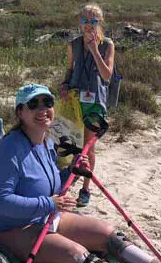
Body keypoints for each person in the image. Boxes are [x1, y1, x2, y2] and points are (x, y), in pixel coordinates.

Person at [0, 83, 161, 263]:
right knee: (75, 253)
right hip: (14, 229)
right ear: (20, 112)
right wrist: (49, 203)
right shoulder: (8, 150)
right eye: (33, 104)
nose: (42, 109)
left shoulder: (45, 142)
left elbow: (52, 184)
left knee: (108, 234)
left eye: (47, 102)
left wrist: (73, 172)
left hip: (48, 217)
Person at [60, 3, 114, 207]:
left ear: (100, 23)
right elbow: (69, 69)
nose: (89, 25)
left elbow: (107, 75)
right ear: (79, 22)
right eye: (85, 21)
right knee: (70, 143)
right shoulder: (73, 44)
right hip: (74, 100)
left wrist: (94, 50)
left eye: (93, 21)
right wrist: (64, 84)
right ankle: (66, 181)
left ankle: (86, 187)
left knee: (87, 148)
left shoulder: (107, 44)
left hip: (94, 103)